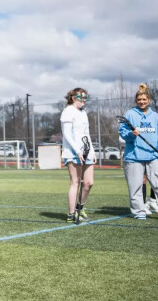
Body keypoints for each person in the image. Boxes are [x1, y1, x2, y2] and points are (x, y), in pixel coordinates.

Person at [118, 83, 158, 220]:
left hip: (153, 156)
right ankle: (138, 212)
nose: (142, 102)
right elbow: (123, 132)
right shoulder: (130, 114)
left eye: (144, 99)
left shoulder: (155, 116)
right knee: (135, 187)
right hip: (134, 157)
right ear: (136, 101)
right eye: (139, 100)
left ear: (149, 100)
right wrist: (132, 133)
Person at [60, 88, 96, 223]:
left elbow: (86, 134)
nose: (84, 100)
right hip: (73, 152)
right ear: (74, 98)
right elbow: (67, 134)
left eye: (86, 97)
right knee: (75, 182)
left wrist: (91, 151)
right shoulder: (68, 111)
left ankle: (79, 208)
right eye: (81, 97)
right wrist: (77, 151)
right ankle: (71, 214)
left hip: (87, 152)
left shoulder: (83, 112)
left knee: (88, 183)